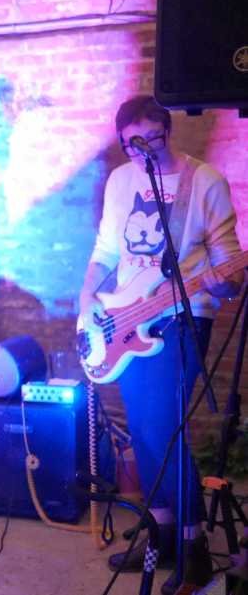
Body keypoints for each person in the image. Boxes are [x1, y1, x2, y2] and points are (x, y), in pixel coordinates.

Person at [78, 95, 243, 595]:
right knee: (143, 432)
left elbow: (230, 267)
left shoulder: (205, 182)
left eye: (150, 141)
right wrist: (87, 298)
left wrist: (223, 281)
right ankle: (163, 534)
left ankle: (195, 552)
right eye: (132, 145)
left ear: (166, 132)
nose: (142, 152)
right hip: (126, 320)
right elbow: (107, 249)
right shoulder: (120, 180)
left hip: (182, 318)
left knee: (163, 430)